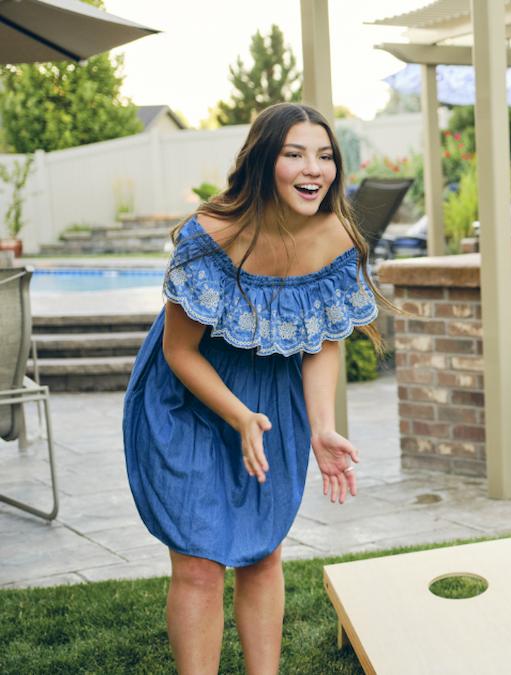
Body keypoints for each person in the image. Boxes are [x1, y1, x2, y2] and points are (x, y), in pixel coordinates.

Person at [123, 103, 382, 674]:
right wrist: (238, 416)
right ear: (265, 160)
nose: (313, 168)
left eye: (325, 155)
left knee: (263, 553)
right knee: (198, 563)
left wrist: (322, 427)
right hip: (187, 398)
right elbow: (178, 350)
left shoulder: (334, 236)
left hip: (270, 400)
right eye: (294, 154)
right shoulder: (214, 233)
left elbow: (323, 339)